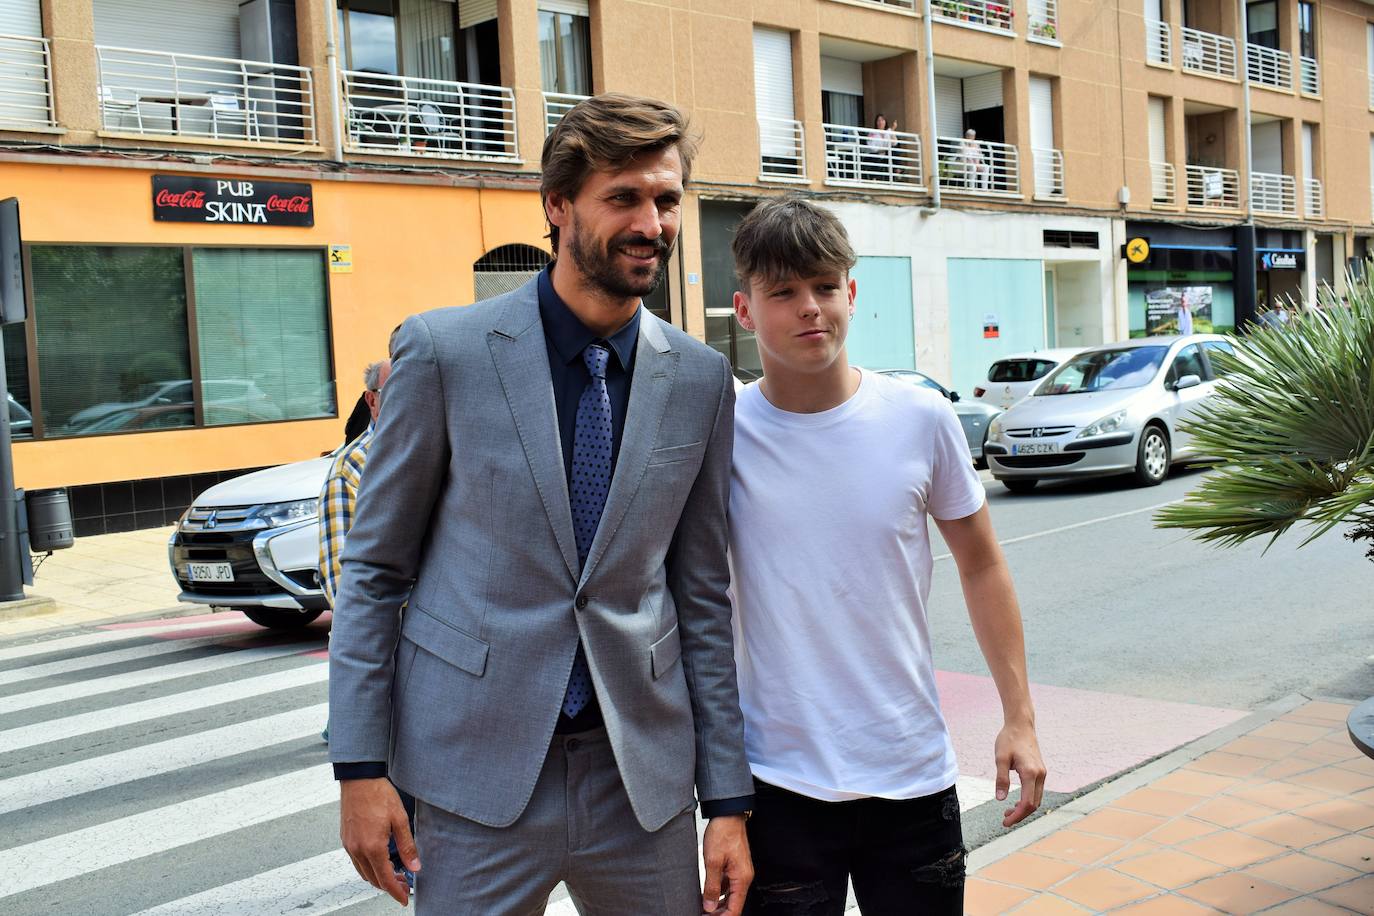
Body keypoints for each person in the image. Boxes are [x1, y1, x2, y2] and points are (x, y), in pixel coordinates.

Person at [328, 93, 755, 914]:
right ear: (558, 206)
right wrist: (359, 768)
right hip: (474, 776)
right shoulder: (444, 352)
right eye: (622, 197)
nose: (652, 223)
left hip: (641, 778)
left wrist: (728, 801)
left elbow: (702, 596)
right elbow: (376, 572)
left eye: (666, 200)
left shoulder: (700, 379)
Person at [727, 197, 1046, 915]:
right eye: (784, 292)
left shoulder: (918, 417)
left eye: (825, 287)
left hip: (910, 775)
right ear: (745, 311)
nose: (810, 308)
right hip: (777, 787)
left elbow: (982, 564)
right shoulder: (721, 430)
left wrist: (1018, 716)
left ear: (852, 293)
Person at [317, 357, 417, 890]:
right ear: (375, 401)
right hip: (398, 663)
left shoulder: (429, 450)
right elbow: (346, 588)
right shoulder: (354, 468)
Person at [862, 114, 897, 182]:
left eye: (882, 120)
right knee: (876, 157)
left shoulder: (888, 131)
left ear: (885, 122)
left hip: (885, 155)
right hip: (874, 155)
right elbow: (871, 147)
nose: (880, 122)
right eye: (878, 120)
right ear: (876, 122)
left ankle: (896, 172)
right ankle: (874, 178)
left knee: (894, 152)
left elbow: (895, 143)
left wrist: (892, 130)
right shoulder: (872, 133)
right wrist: (882, 150)